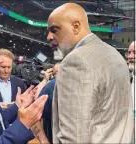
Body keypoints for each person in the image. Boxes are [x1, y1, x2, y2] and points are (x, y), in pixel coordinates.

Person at [47, 3, 134, 143]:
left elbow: (74, 137)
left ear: (75, 26)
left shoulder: (75, 61)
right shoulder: (115, 54)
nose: (49, 36)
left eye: (54, 29)